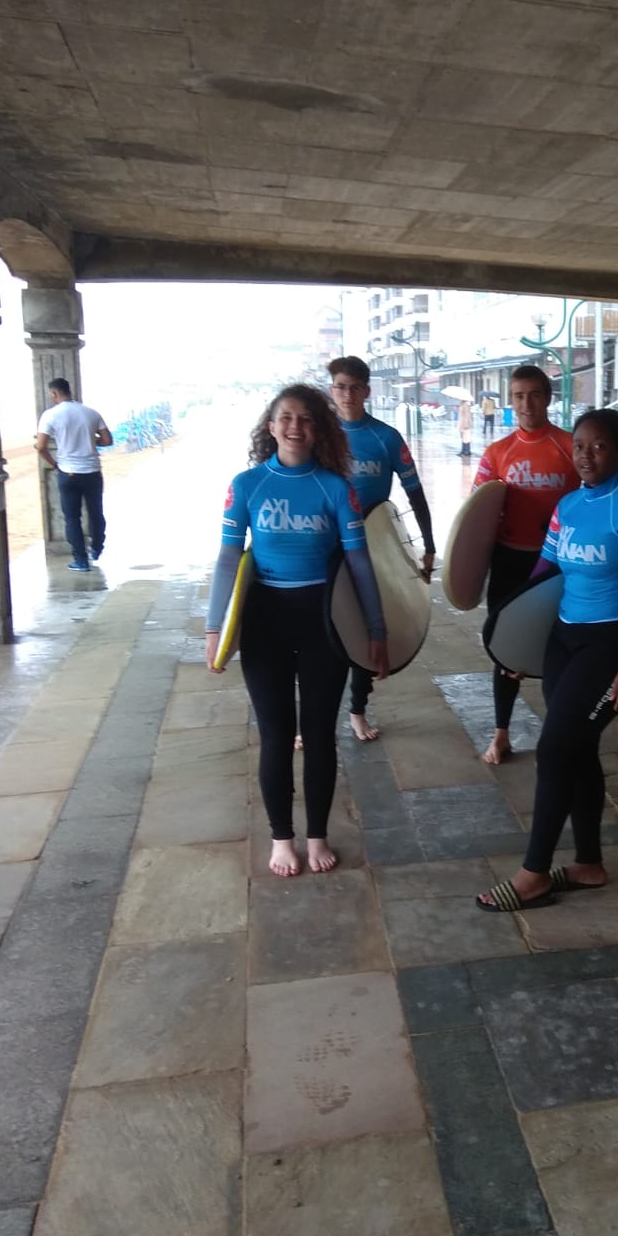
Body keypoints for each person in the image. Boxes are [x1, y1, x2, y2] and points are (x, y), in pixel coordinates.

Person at [477, 409, 618, 911]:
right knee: (578, 749)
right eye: (579, 445)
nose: (585, 455)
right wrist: (515, 641)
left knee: (555, 750)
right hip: (563, 640)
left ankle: (534, 873)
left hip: (608, 646)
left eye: (598, 446)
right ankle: (587, 864)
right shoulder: (568, 505)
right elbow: (544, 573)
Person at [204, 385, 388, 877]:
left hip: (323, 620)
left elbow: (359, 562)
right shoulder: (247, 485)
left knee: (321, 734)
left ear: (319, 429)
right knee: (276, 733)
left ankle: (317, 835)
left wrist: (376, 629)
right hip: (264, 619)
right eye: (286, 417)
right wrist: (214, 626)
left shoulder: (336, 488)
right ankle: (282, 837)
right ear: (270, 427)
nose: (295, 427)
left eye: (306, 419)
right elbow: (228, 558)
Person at [473, 364, 580, 766]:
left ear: (548, 397)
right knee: (505, 650)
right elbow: (477, 512)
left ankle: (560, 733)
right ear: (510, 400)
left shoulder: (569, 446)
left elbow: (590, 500)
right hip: (509, 560)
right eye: (518, 395)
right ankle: (501, 733)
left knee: (559, 644)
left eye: (534, 394)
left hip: (558, 564)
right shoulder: (497, 452)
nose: (526, 403)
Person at [328, 356, 436, 741]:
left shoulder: (385, 438)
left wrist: (428, 546)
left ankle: (357, 710)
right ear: (332, 390)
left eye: (355, 387)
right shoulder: (321, 435)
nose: (348, 395)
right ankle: (315, 717)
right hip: (328, 545)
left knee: (365, 628)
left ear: (367, 391)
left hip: (371, 546)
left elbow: (415, 493)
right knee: (322, 633)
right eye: (341, 387)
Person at [34, 377, 113, 570]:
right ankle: (97, 548)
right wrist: (90, 441)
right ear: (69, 391)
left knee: (72, 517)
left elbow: (41, 446)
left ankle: (81, 561)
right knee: (96, 512)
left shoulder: (50, 415)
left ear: (54, 393)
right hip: (92, 472)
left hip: (68, 472)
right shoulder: (91, 413)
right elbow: (107, 440)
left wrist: (54, 464)